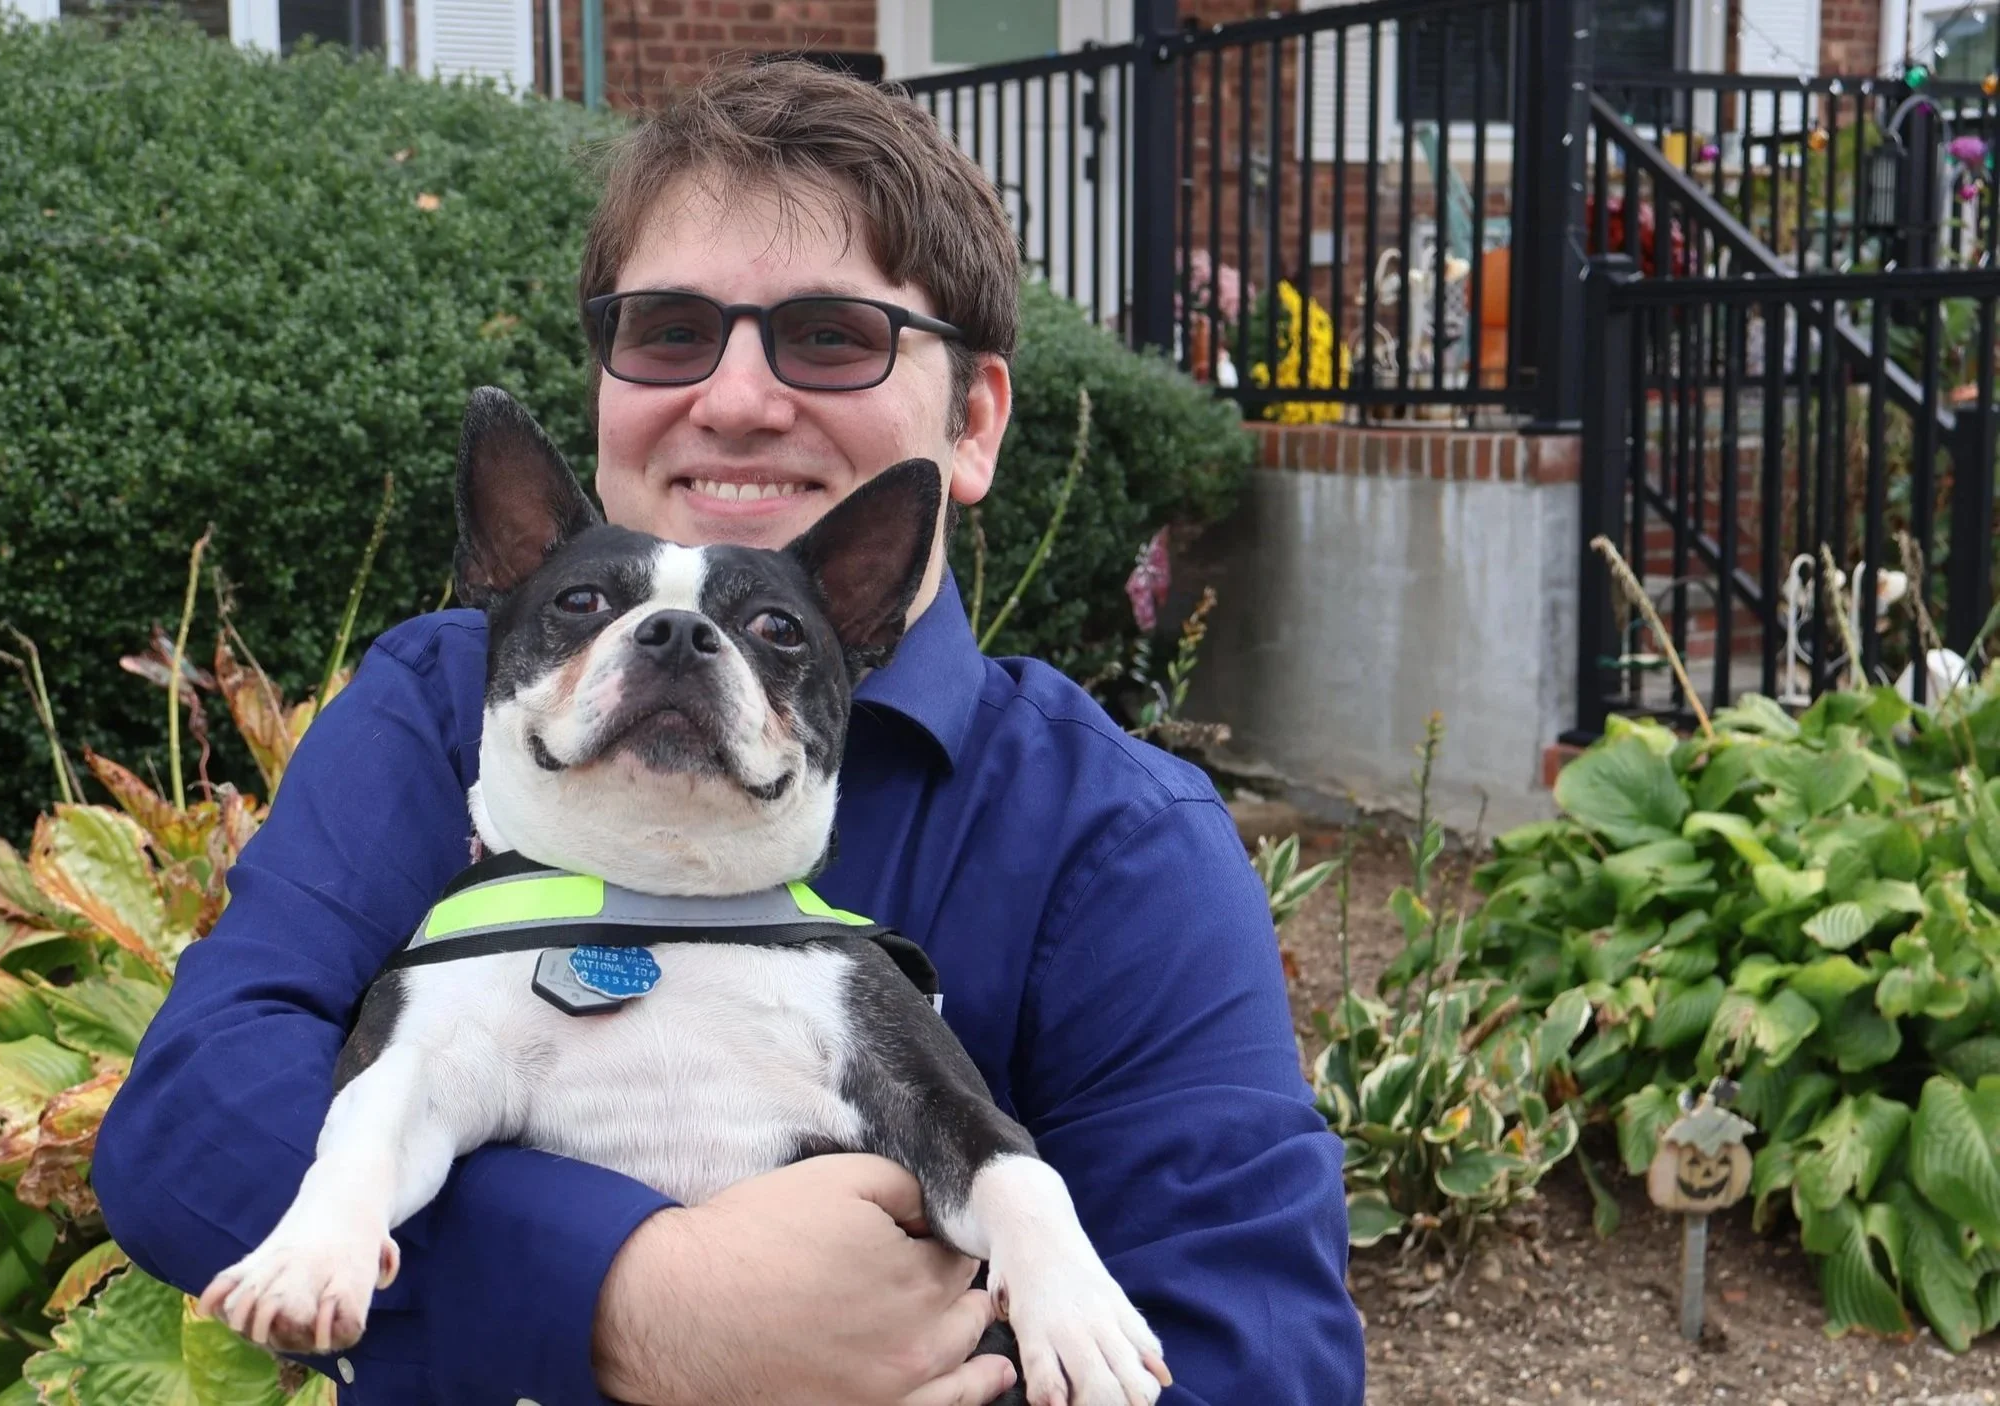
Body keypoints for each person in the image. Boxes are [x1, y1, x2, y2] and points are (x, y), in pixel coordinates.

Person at [92, 59, 1363, 1406]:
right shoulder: (438, 706)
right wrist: (641, 1296)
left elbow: (1248, 1362)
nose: (739, 398)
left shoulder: (1115, 841)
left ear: (974, 421)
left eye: (830, 335)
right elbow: (189, 1124)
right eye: (669, 330)